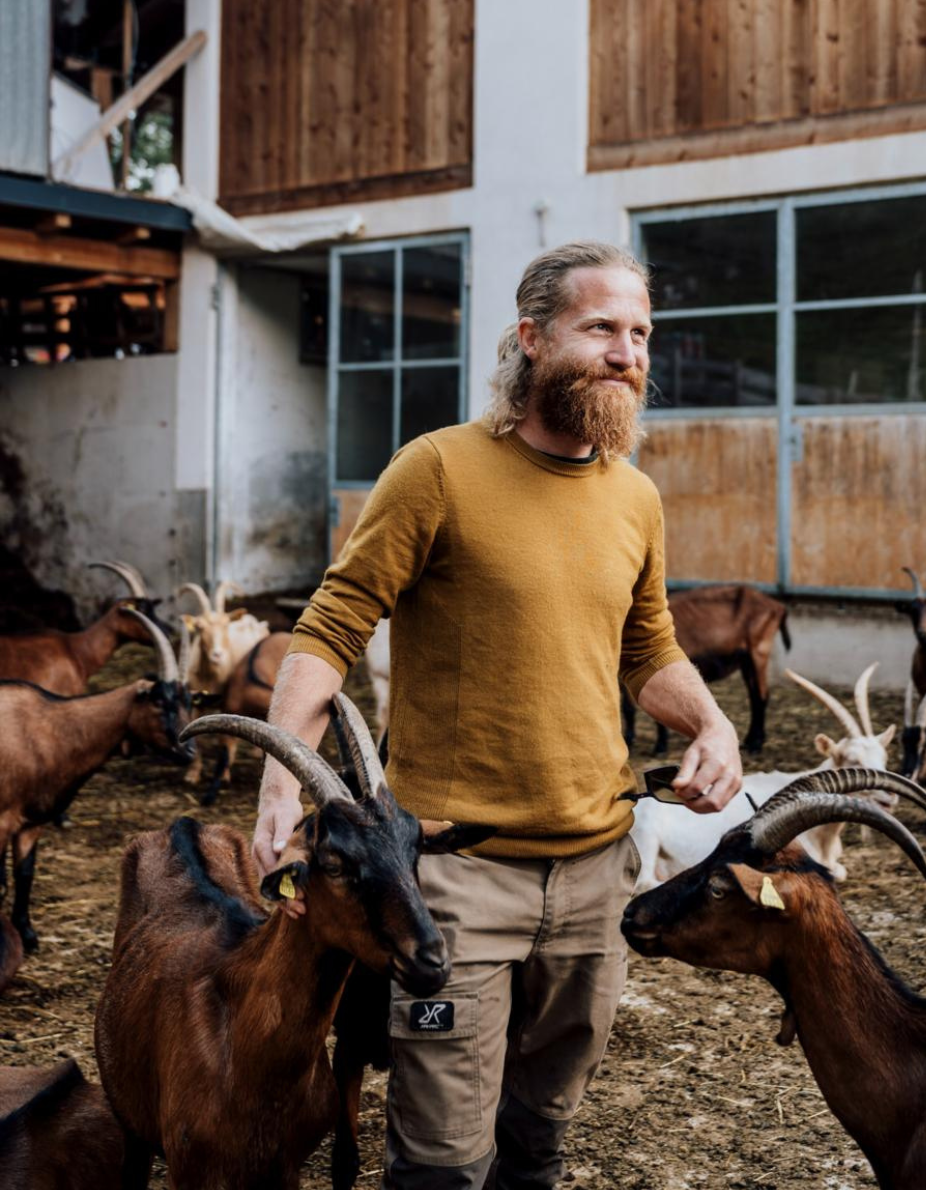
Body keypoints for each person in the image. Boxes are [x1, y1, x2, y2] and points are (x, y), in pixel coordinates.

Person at [252, 240, 744, 1189]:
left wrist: (713, 727)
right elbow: (333, 625)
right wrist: (281, 773)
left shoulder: (635, 498)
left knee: (541, 1130)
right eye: (600, 327)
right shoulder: (437, 470)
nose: (627, 352)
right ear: (531, 337)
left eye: (640, 333)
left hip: (598, 870)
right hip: (457, 876)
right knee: (441, 1156)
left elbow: (647, 649)